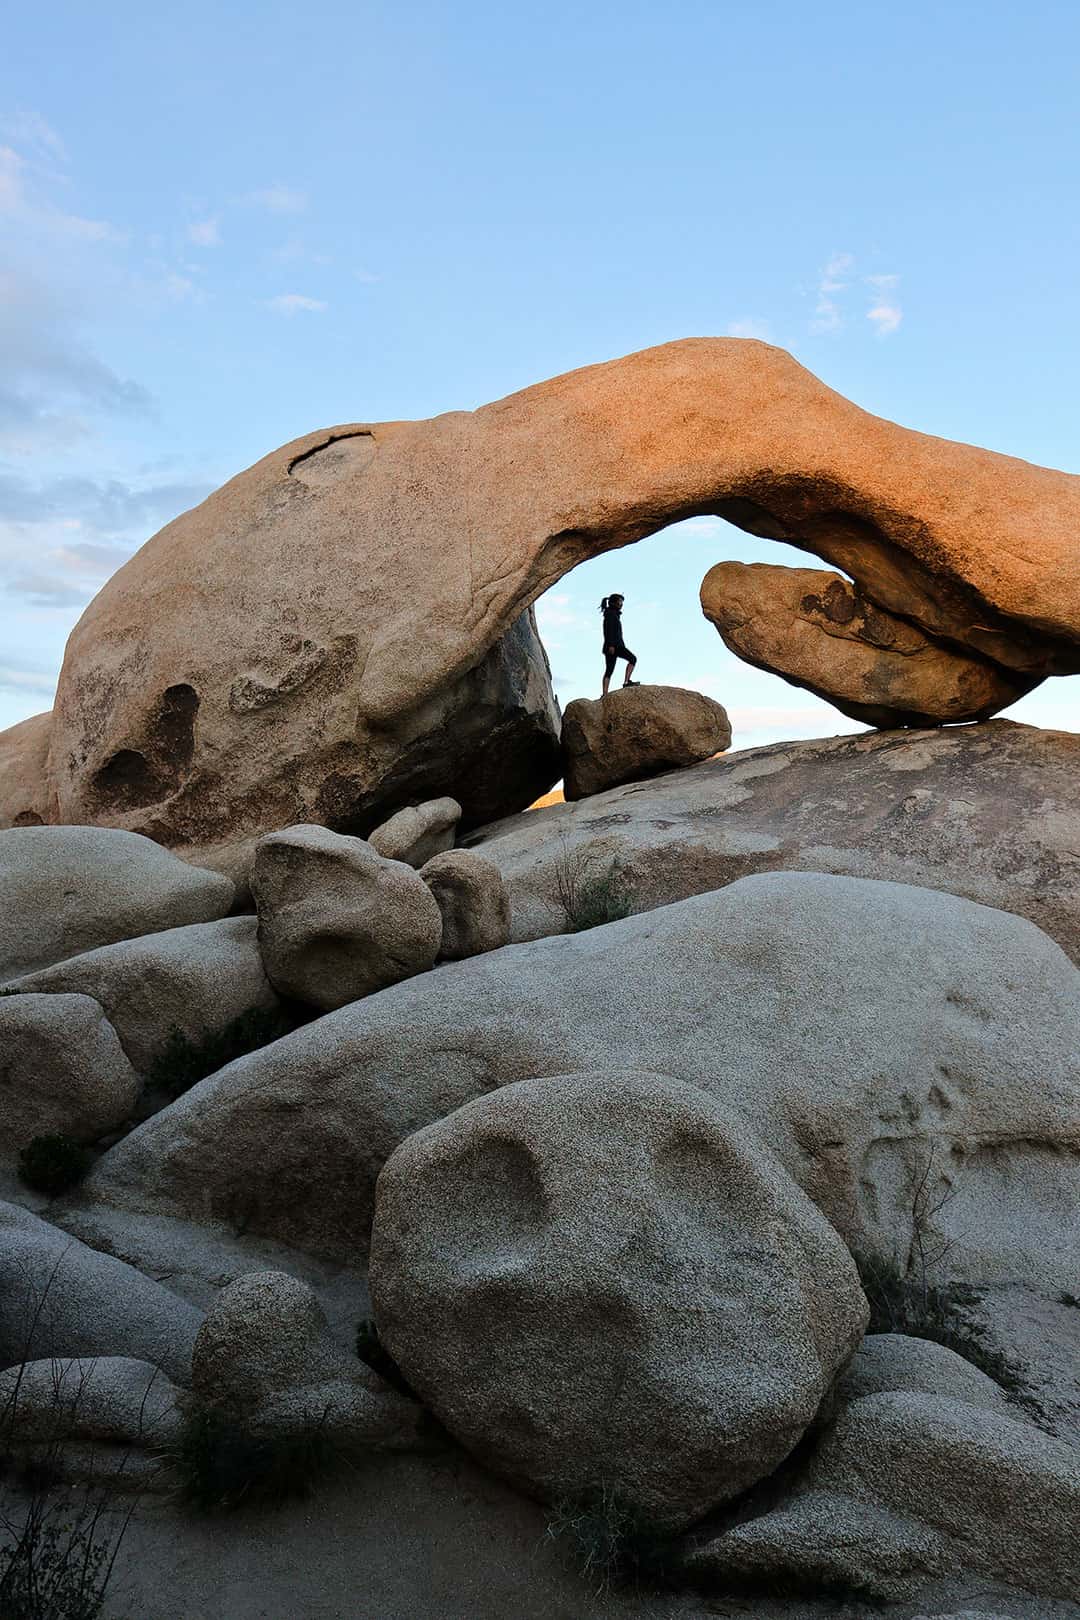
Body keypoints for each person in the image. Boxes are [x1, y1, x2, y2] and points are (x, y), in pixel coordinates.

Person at [600, 593, 638, 696]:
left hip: (613, 645)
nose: (621, 604)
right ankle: (626, 682)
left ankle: (605, 694)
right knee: (633, 659)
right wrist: (612, 645)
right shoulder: (611, 614)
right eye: (620, 601)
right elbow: (610, 630)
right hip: (614, 646)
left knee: (609, 670)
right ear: (614, 602)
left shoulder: (612, 614)